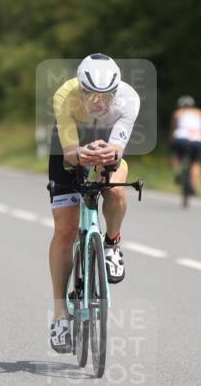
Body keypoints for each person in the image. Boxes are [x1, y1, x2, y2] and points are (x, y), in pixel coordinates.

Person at [48, 54, 141, 353]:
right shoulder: (65, 96)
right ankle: (60, 315)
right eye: (91, 95)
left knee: (114, 188)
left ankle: (111, 244)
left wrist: (108, 156)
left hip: (106, 143)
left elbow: (117, 151)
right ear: (80, 90)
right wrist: (79, 155)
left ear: (116, 91)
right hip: (71, 144)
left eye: (107, 96)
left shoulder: (129, 99)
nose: (100, 102)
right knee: (66, 229)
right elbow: (69, 153)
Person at [170, 95, 201, 194]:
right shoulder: (199, 113)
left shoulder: (178, 113)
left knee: (175, 155)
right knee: (195, 162)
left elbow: (173, 129)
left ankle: (178, 172)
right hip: (197, 140)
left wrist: (171, 140)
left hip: (181, 139)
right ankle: (194, 186)